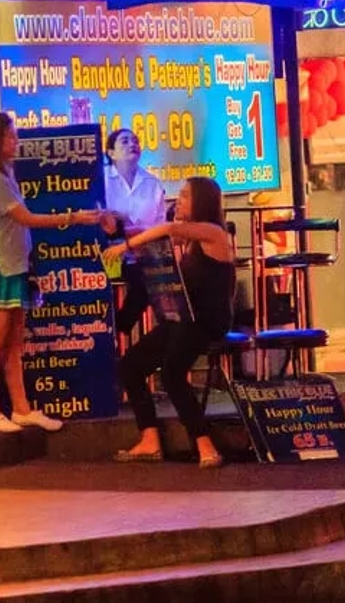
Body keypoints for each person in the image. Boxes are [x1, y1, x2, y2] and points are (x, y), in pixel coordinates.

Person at [0, 111, 102, 433]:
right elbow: (26, 219)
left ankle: (22, 409)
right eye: (10, 136)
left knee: (16, 343)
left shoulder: (5, 173)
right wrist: (73, 217)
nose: (16, 141)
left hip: (16, 266)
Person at [102, 177, 235, 469]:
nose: (178, 201)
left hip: (207, 321)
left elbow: (168, 229)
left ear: (201, 201)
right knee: (130, 366)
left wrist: (124, 246)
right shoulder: (190, 237)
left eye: (185, 196)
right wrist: (118, 230)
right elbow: (153, 234)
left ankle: (205, 445)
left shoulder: (213, 233)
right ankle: (149, 439)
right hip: (184, 318)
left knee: (173, 374)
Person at [101, 128, 169, 337]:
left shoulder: (152, 183)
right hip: (109, 253)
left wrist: (136, 233)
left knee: (151, 278)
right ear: (111, 153)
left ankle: (119, 327)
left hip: (143, 253)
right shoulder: (101, 181)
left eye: (135, 141)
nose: (132, 144)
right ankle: (108, 328)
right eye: (124, 141)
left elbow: (160, 226)